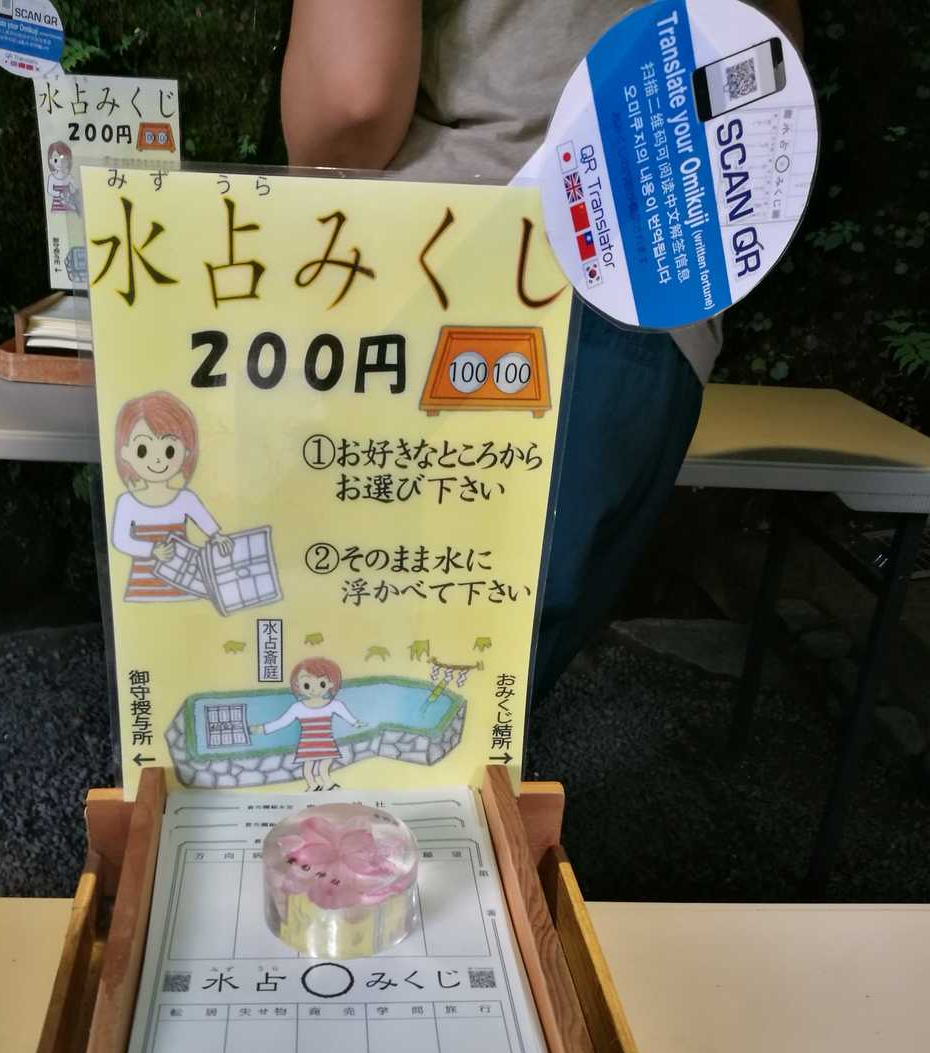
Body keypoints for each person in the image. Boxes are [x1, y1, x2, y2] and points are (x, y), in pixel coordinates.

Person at [280, 0, 803, 698]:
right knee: (476, 713)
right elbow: (767, 63)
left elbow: (353, 101)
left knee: (360, 697)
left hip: (447, 262)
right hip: (657, 307)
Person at [111, 390, 234, 604]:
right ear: (125, 453)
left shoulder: (185, 499)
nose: (158, 460)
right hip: (143, 588)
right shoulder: (127, 502)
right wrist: (152, 550)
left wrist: (218, 537)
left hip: (184, 581)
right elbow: (120, 540)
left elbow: (204, 520)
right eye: (142, 450)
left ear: (186, 451)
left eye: (169, 450)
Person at [252, 657, 364, 790]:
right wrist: (263, 729)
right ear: (298, 685)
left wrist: (355, 722)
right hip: (308, 744)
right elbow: (282, 722)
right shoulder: (298, 707)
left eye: (321, 684)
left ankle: (328, 783)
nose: (314, 690)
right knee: (308, 767)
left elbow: (347, 715)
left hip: (326, 742)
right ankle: (312, 785)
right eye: (307, 685)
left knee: (325, 764)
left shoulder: (334, 705)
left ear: (331, 684)